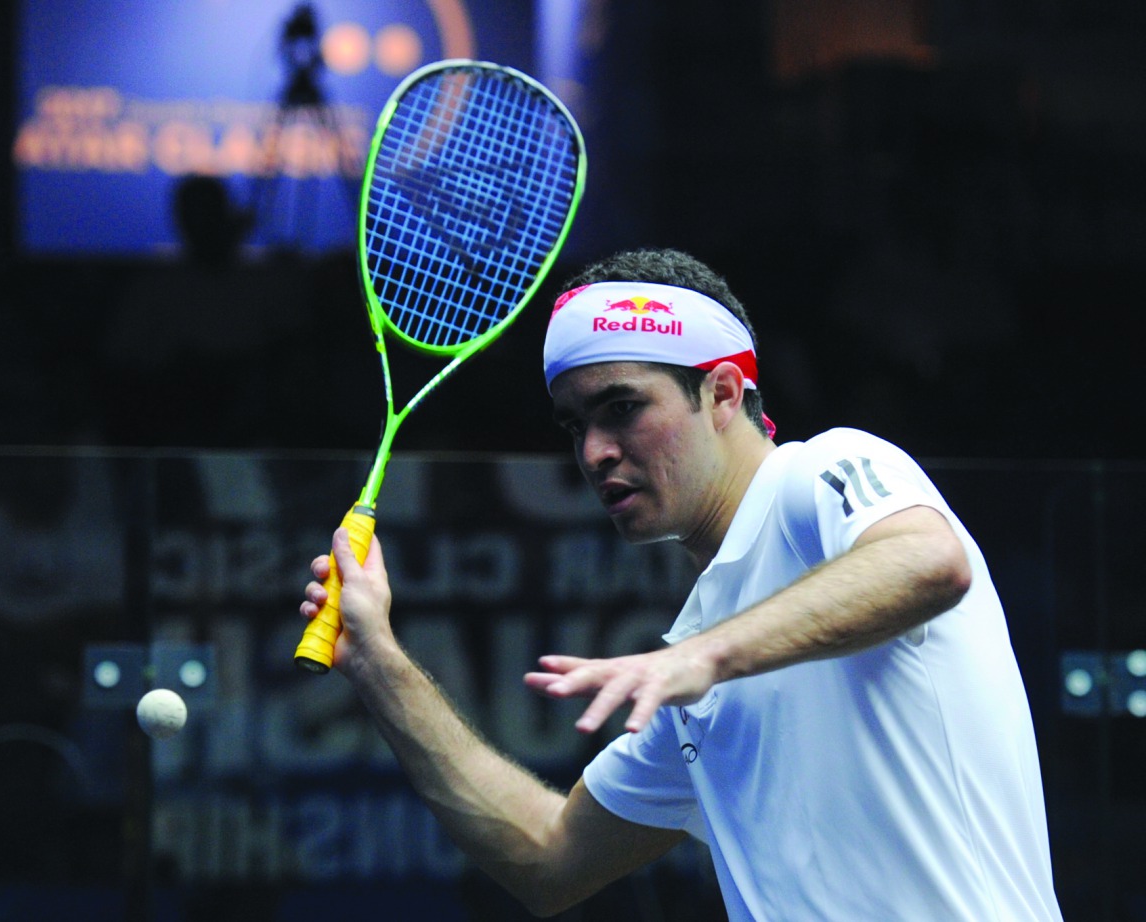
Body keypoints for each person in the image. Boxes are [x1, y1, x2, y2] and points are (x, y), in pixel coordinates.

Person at [301, 248, 1063, 920]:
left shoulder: (821, 472)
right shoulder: (690, 671)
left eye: (623, 407)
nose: (596, 451)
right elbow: (549, 860)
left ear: (725, 394)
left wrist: (701, 660)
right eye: (575, 425)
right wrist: (378, 663)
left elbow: (930, 562)